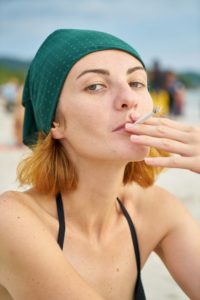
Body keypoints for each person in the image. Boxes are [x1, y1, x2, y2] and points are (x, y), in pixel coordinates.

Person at [0, 29, 199, 300]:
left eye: (137, 82)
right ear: (54, 121)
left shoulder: (154, 209)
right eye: (95, 86)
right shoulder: (12, 220)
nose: (129, 98)